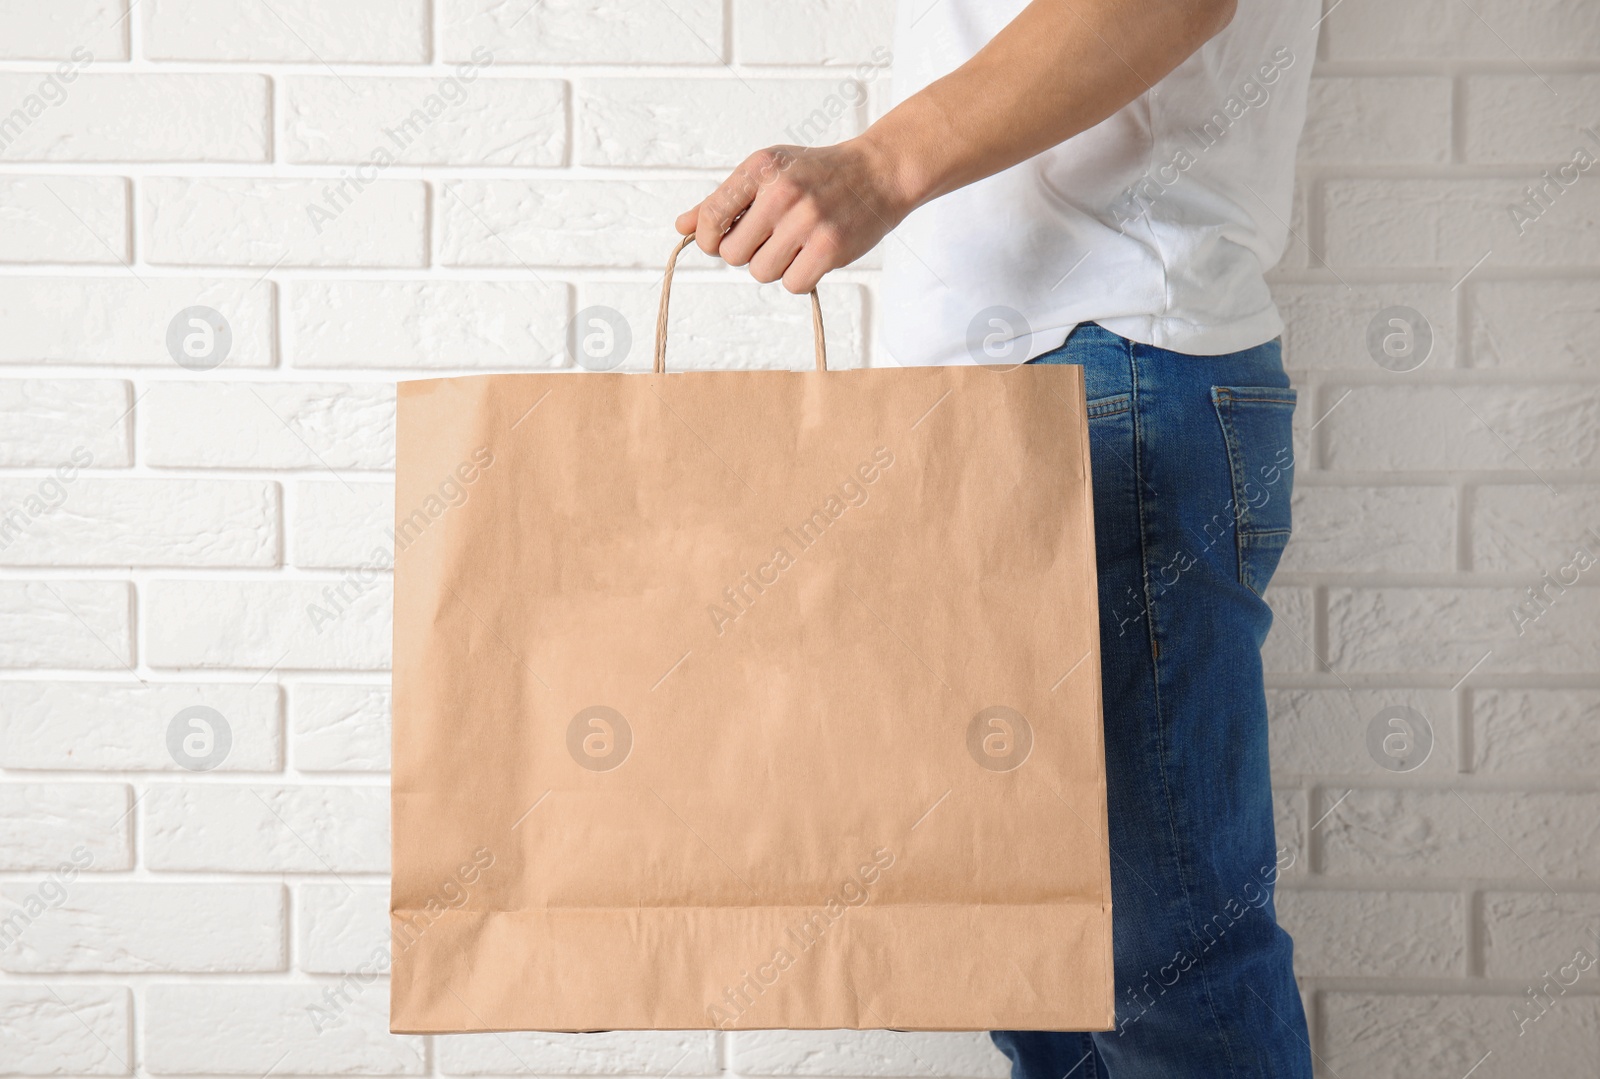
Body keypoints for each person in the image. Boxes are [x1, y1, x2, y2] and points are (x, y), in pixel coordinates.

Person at [675, 0, 1320, 1074]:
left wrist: (878, 166)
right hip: (1001, 392)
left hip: (1103, 366)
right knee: (1033, 959)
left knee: (1154, 956)